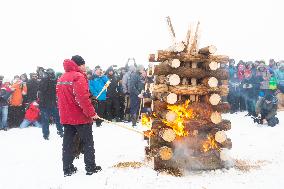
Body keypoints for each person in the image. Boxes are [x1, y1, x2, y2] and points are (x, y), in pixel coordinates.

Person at [57, 55, 101, 176]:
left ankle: (67, 168)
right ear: (79, 65)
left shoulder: (62, 77)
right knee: (88, 142)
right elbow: (82, 99)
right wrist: (92, 113)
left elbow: (61, 98)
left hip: (66, 116)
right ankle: (90, 167)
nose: (85, 67)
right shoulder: (78, 76)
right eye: (84, 64)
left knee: (68, 143)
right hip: (80, 117)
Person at [38, 68, 63, 140]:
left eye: (52, 73)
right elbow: (42, 89)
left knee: (58, 118)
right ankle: (45, 134)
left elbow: (57, 89)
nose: (51, 75)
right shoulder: (43, 80)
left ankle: (60, 131)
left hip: (52, 103)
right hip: (44, 104)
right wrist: (45, 79)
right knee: (45, 120)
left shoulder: (54, 80)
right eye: (50, 73)